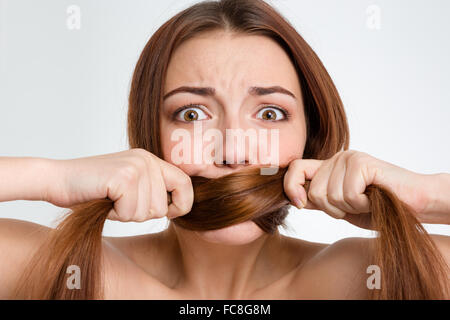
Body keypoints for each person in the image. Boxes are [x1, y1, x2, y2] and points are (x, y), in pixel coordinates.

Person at [0, 0, 448, 299]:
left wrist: (422, 196)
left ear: (310, 139)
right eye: (193, 114)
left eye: (269, 114)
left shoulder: (365, 278)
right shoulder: (73, 271)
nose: (234, 151)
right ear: (149, 138)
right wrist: (52, 178)